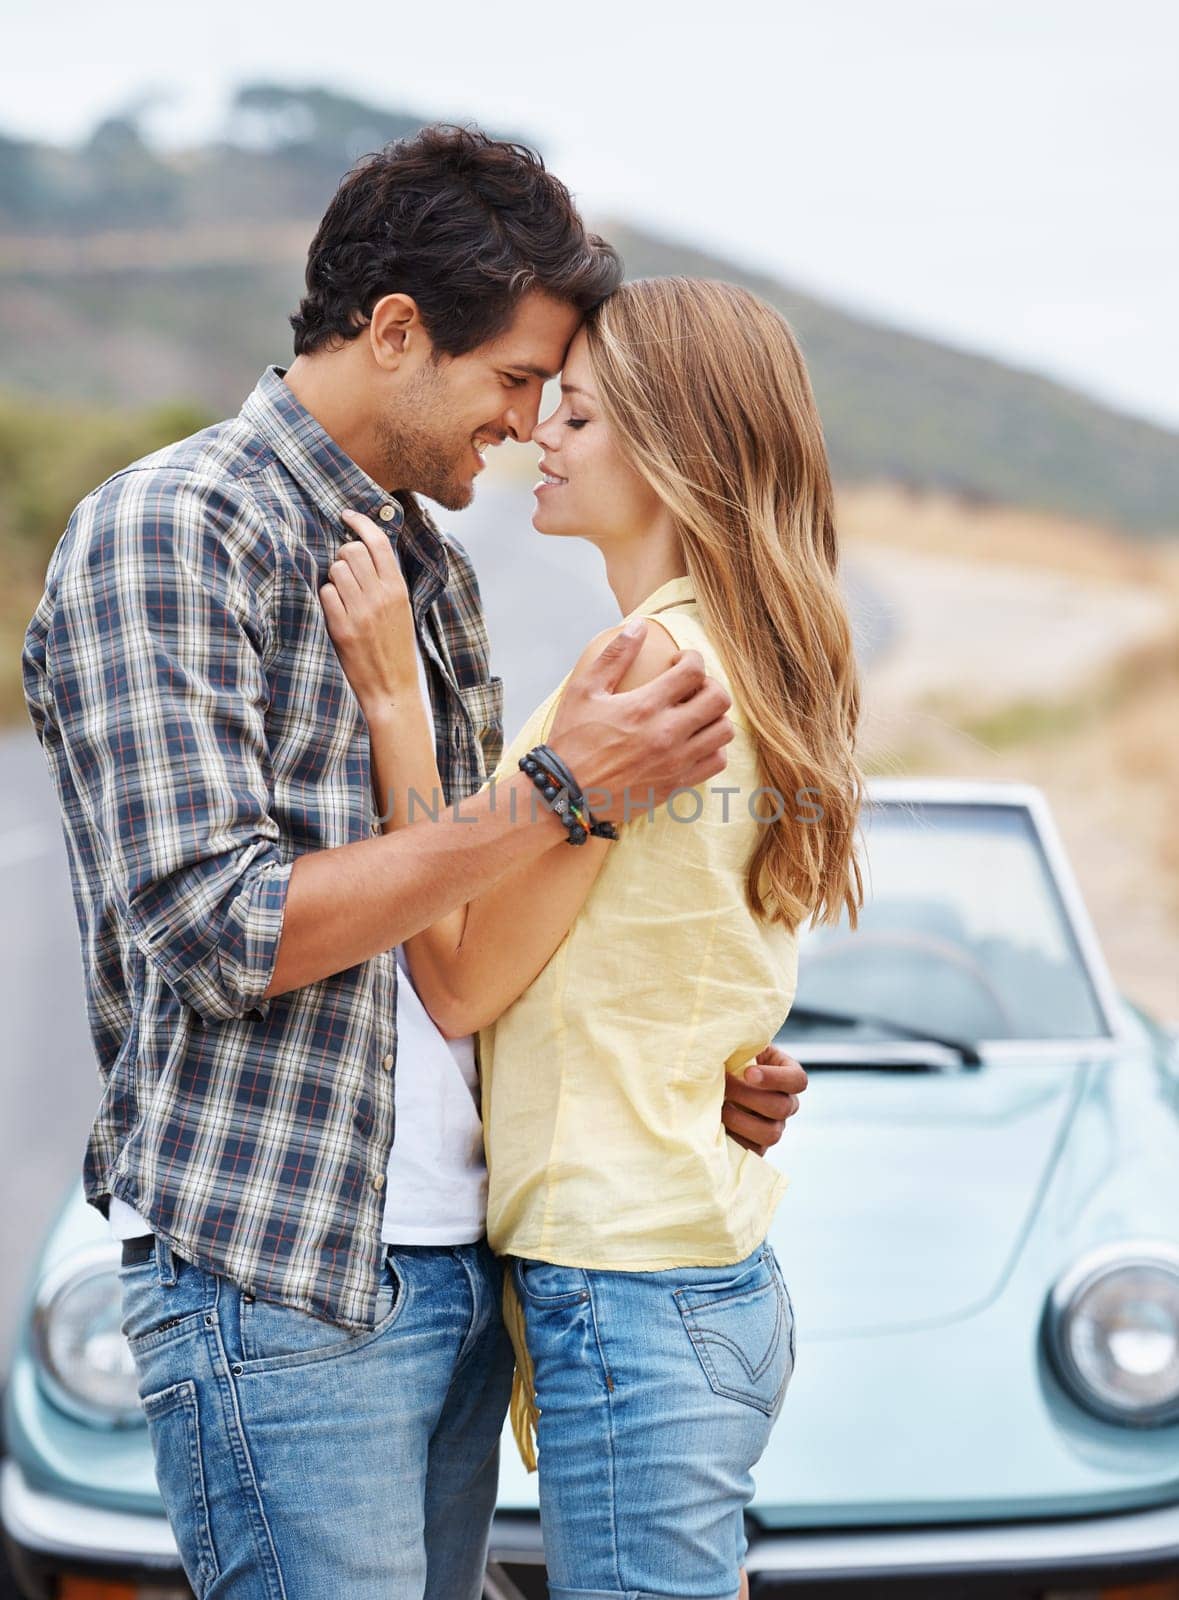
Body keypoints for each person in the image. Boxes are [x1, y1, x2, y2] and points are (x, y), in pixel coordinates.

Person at [21, 126, 809, 1600]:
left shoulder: (422, 561)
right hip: (290, 1278)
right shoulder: (171, 533)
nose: (525, 428)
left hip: (465, 1261)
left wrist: (691, 1052)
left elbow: (484, 918)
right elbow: (223, 931)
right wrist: (564, 790)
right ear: (396, 333)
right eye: (517, 381)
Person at [323, 275, 864, 1600]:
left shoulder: (635, 678)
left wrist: (394, 698)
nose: (541, 439)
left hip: (627, 1284)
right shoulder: (766, 656)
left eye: (577, 413)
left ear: (675, 446)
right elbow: (683, 966)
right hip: (703, 1264)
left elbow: (453, 977)